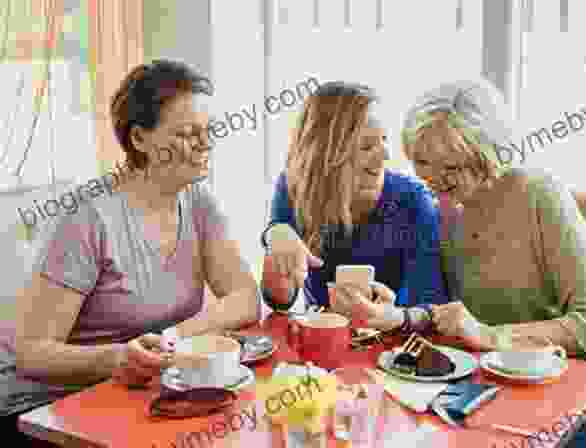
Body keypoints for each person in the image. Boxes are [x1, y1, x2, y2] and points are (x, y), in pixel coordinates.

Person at [2, 60, 260, 445]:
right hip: (44, 410)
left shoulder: (198, 202)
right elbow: (32, 354)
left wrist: (170, 338)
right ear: (140, 139)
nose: (206, 144)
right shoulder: (87, 216)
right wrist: (117, 358)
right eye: (189, 134)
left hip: (136, 396)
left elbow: (244, 299)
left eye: (208, 131)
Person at [401, 78, 586, 448]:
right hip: (511, 386)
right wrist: (395, 310)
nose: (434, 179)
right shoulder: (437, 207)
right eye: (422, 161)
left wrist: (489, 336)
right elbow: (443, 313)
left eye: (451, 165)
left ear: (486, 151)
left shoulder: (539, 195)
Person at [261, 81, 458, 332]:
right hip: (323, 344)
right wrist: (275, 238)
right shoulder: (295, 187)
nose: (384, 156)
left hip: (393, 350)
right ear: (326, 155)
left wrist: (394, 313)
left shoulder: (412, 200)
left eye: (384, 140)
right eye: (366, 146)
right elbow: (280, 299)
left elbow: (429, 303)